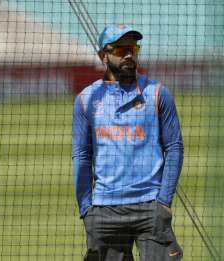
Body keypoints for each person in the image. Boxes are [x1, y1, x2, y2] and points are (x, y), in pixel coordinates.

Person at [72, 24, 184, 261]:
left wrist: (164, 201)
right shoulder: (86, 99)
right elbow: (82, 156)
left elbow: (174, 148)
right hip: (105, 209)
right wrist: (86, 209)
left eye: (133, 48)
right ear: (103, 55)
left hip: (150, 205)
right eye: (121, 49)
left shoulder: (158, 93)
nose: (129, 55)